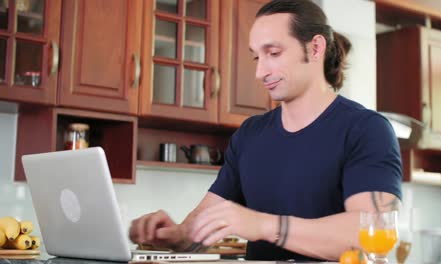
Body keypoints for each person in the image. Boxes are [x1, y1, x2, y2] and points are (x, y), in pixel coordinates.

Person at [129, 0, 402, 261]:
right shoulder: (250, 134)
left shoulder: (366, 129)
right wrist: (173, 235)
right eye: (257, 57)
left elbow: (373, 235)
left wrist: (263, 225)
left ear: (316, 48)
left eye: (273, 53)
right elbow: (197, 233)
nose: (260, 71)